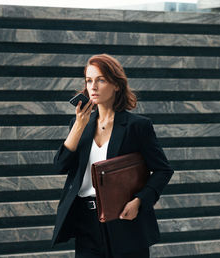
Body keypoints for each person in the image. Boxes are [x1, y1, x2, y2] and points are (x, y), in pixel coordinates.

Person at [51, 54, 174, 258]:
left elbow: (163, 170)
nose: (93, 86)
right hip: (86, 224)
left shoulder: (137, 126)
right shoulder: (79, 126)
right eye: (89, 80)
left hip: (125, 221)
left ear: (116, 85)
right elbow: (59, 167)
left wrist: (139, 202)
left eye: (101, 80)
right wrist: (79, 126)